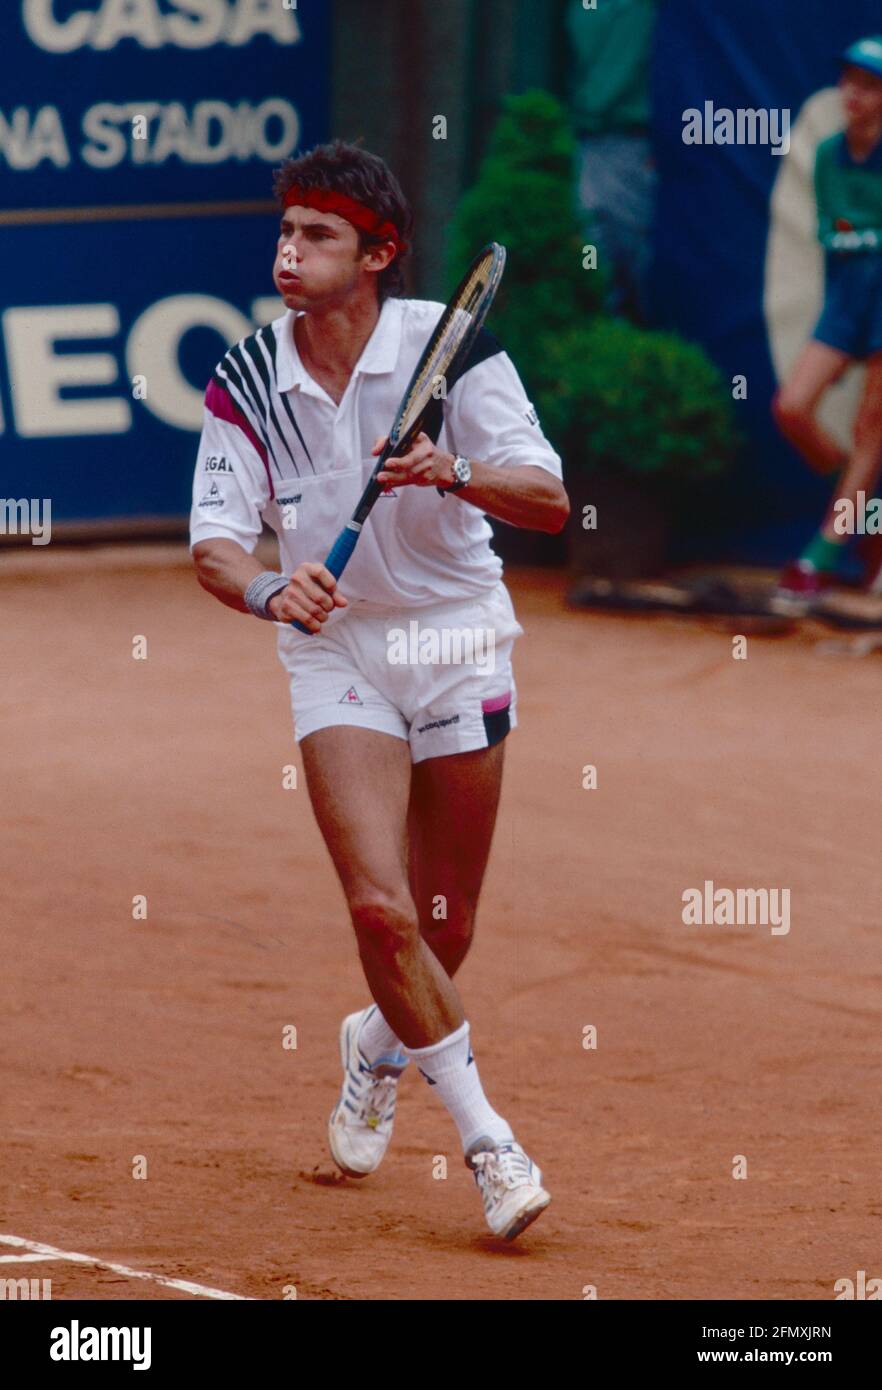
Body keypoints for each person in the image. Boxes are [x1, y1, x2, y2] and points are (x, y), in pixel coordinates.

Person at [189, 141, 569, 1241]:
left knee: (441, 932)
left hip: (459, 638)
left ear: (378, 254)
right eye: (286, 232)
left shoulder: (449, 355)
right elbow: (215, 545)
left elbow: (545, 496)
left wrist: (452, 468)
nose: (290, 253)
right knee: (377, 906)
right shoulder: (248, 377)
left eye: (318, 236)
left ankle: (375, 1042)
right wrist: (271, 588)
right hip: (338, 649)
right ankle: (491, 1145)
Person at [773, 36, 882, 610]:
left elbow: (848, 232)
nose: (853, 94)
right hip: (847, 298)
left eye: (868, 86)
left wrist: (860, 236)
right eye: (850, 82)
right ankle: (864, 502)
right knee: (792, 407)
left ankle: (821, 553)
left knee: (872, 431)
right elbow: (832, 235)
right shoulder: (828, 156)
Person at [566, 0, 658, 323]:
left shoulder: (635, 12)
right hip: (594, 145)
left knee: (633, 267)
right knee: (600, 262)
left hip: (628, 145)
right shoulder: (589, 10)